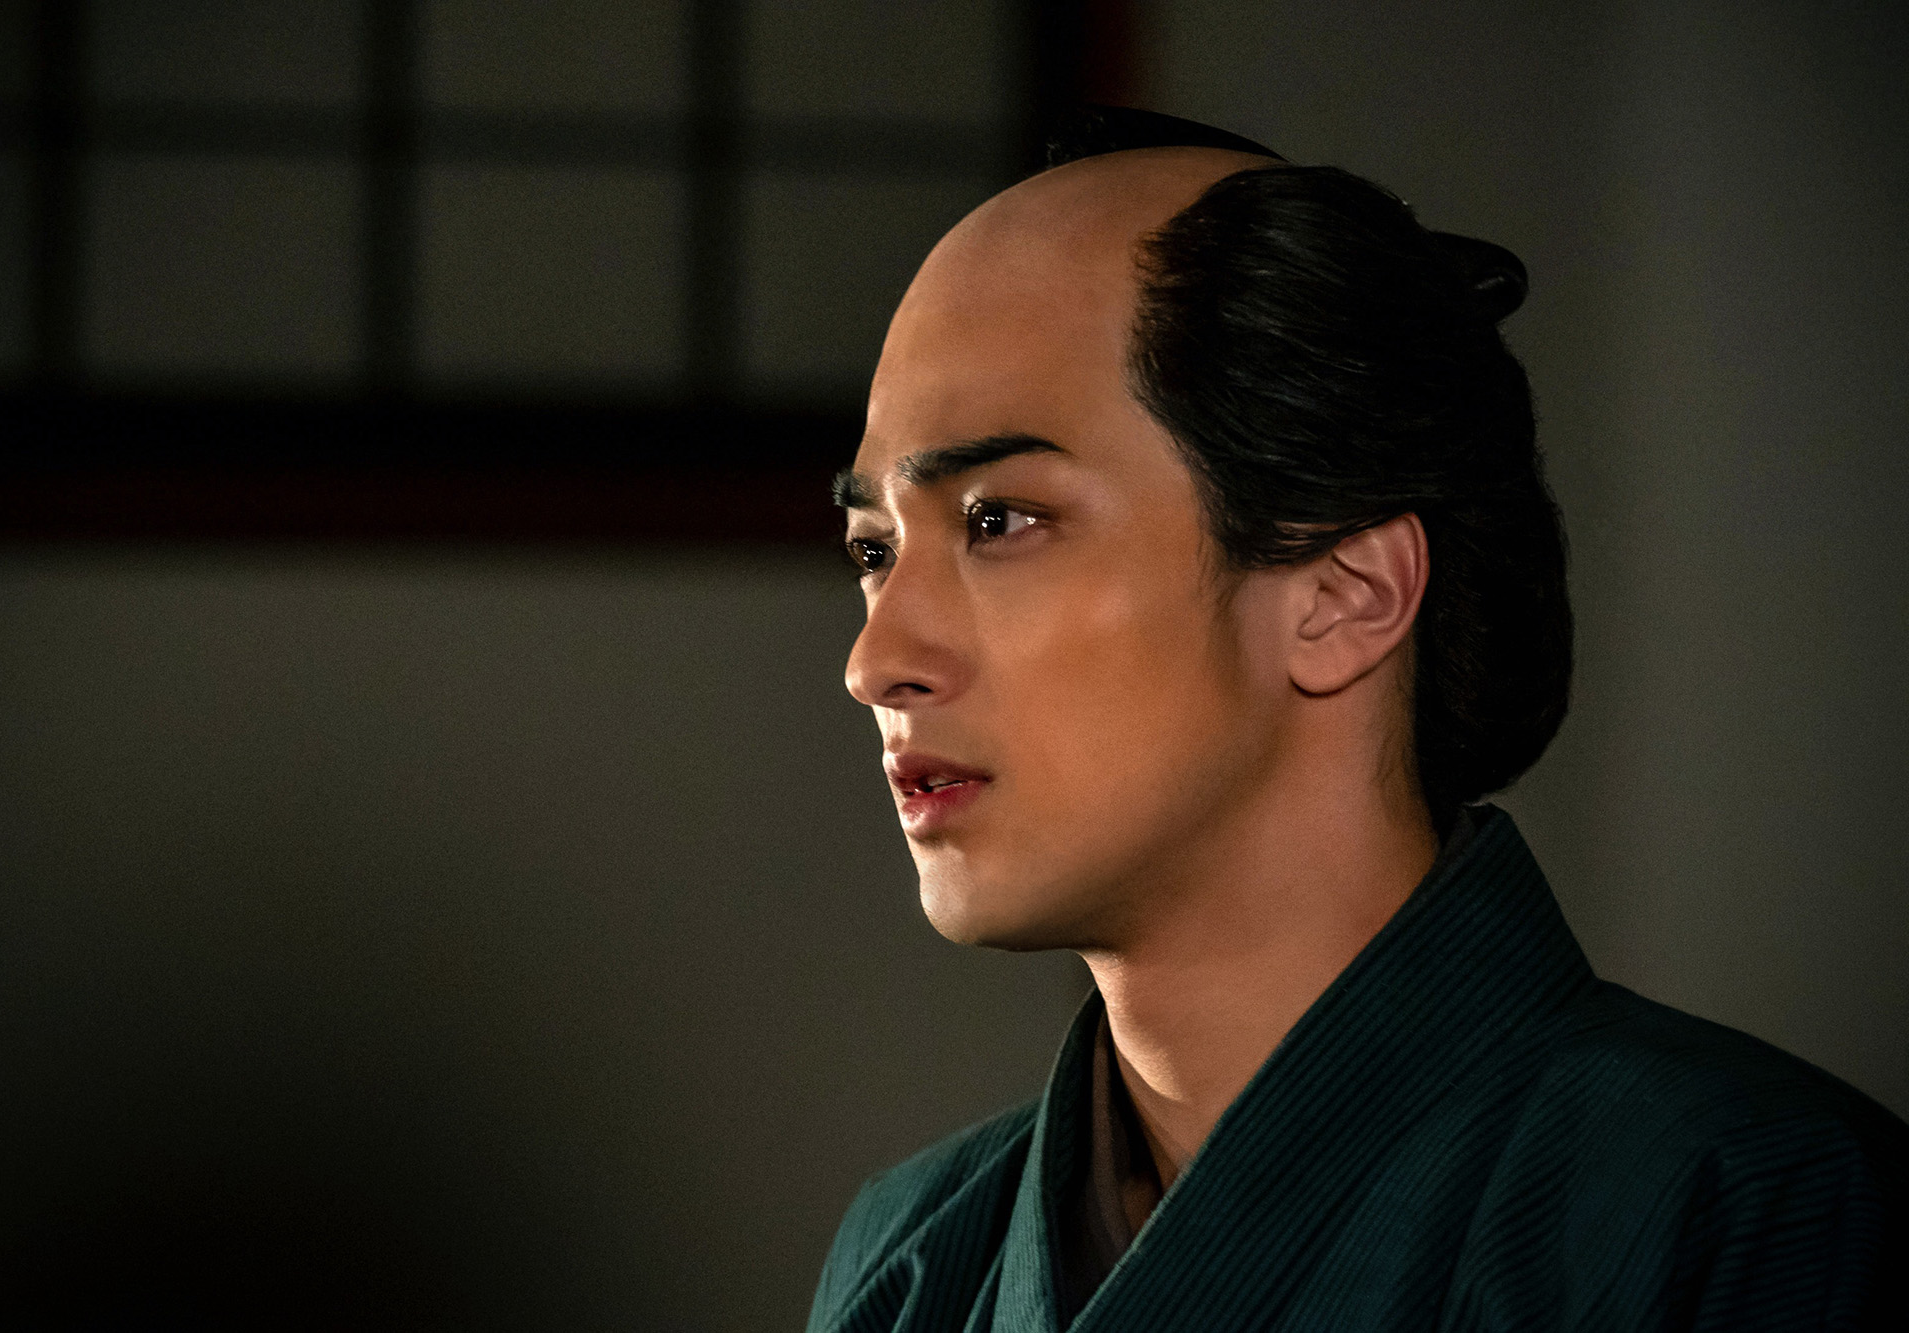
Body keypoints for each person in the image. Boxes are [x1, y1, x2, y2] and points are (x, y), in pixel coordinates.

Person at [808, 108, 1907, 1332]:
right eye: (872, 549)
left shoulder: (1752, 1209)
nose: (874, 662)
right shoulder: (910, 1259)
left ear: (1343, 595)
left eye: (999, 519)